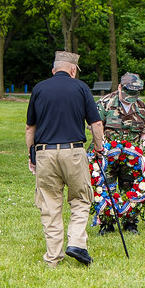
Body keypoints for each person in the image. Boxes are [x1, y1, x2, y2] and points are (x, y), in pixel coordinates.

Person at [25, 51, 105, 267]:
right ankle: (77, 242)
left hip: (45, 153)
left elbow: (30, 127)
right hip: (74, 152)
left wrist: (32, 155)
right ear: (72, 70)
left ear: (54, 70)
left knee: (50, 204)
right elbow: (96, 124)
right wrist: (99, 148)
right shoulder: (81, 88)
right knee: (80, 198)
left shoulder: (39, 88)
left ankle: (52, 258)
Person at [96, 72, 145, 235]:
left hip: (131, 157)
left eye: (135, 93)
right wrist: (102, 147)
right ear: (120, 87)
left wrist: (141, 150)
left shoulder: (142, 107)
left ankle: (130, 222)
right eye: (129, 92)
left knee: (131, 187)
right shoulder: (106, 103)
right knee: (106, 186)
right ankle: (107, 223)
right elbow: (97, 126)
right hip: (107, 154)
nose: (131, 97)